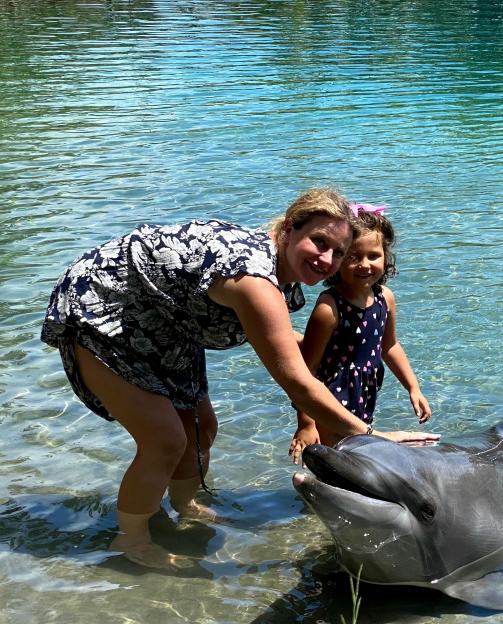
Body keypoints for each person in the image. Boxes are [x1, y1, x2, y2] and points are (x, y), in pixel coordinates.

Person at [40, 187, 438, 569]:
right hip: (108, 310)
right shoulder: (254, 280)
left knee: (201, 428)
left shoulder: (281, 274)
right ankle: (131, 540)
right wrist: (370, 438)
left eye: (338, 252)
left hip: (168, 324)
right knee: (164, 441)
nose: (327, 259)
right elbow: (298, 382)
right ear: (287, 230)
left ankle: (184, 505)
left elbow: (277, 339)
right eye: (319, 242)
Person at [289, 203, 431, 463]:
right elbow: (306, 371)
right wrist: (306, 424)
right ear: (338, 259)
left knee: (358, 455)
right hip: (329, 395)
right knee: (336, 459)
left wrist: (413, 387)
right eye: (353, 257)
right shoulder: (329, 308)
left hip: (364, 391)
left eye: (373, 255)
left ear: (386, 256)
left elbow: (390, 347)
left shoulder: (384, 298)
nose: (364, 265)